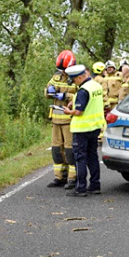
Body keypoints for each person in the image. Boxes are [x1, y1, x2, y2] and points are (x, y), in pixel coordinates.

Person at [62, 65, 106, 197]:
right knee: (93, 156)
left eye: (74, 80)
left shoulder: (83, 90)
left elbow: (79, 112)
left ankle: (80, 188)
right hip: (95, 127)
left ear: (80, 77)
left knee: (80, 158)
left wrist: (69, 111)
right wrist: (74, 101)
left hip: (82, 129)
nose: (74, 83)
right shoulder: (96, 86)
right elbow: (91, 103)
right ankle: (94, 185)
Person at [44, 50, 78, 188]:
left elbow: (81, 96)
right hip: (56, 120)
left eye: (65, 70)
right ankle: (60, 177)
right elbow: (46, 91)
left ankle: (72, 178)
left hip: (69, 120)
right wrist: (49, 92)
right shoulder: (56, 77)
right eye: (61, 70)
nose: (63, 73)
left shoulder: (77, 78)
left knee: (70, 150)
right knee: (57, 150)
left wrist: (66, 97)